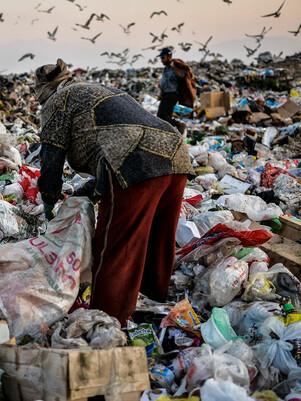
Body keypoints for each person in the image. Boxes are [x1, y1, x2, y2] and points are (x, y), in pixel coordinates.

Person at [34, 59, 193, 326]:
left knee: (117, 243)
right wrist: (84, 193)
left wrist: (49, 200)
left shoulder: (56, 102)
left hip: (135, 157)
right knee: (157, 235)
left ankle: (106, 319)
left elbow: (51, 157)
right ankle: (153, 300)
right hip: (175, 152)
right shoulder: (95, 89)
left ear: (43, 88)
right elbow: (109, 139)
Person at [157, 47, 196, 132]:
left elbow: (181, 75)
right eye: (161, 58)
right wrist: (161, 93)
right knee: (165, 116)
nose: (161, 60)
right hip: (165, 95)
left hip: (171, 95)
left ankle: (180, 125)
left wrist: (173, 66)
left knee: (161, 116)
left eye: (163, 58)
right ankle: (171, 131)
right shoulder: (166, 68)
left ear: (169, 56)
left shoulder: (175, 66)